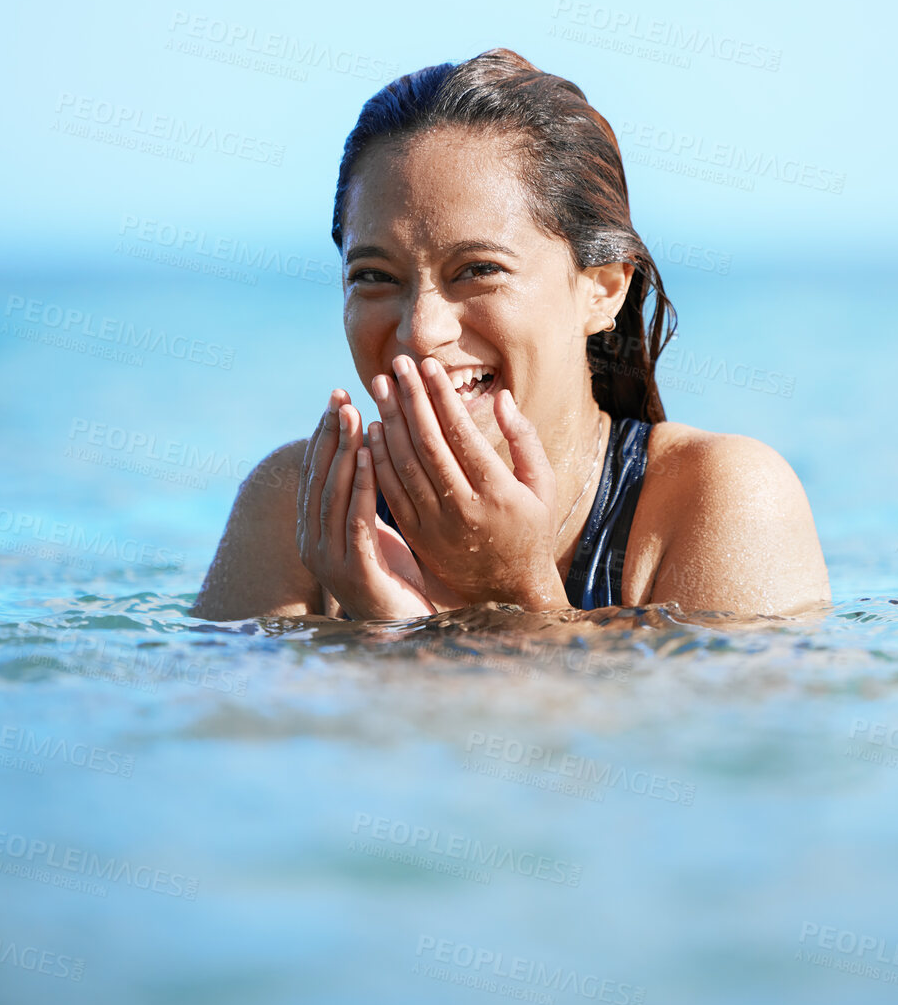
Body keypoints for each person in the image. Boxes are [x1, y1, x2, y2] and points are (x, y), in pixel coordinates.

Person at [191, 49, 828, 621]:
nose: (421, 332)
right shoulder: (299, 505)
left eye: (478, 271)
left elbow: (713, 748)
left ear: (603, 288)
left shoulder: (723, 498)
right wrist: (380, 640)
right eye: (375, 276)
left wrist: (513, 592)